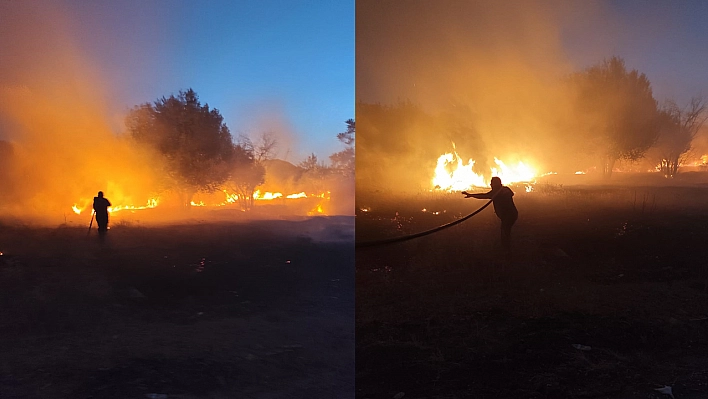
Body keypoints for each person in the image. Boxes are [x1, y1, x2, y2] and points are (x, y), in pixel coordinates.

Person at [461, 177, 518, 252]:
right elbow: (483, 195)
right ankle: (506, 248)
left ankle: (506, 250)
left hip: (510, 215)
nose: (491, 185)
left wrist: (501, 194)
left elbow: (510, 193)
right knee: (505, 231)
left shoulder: (505, 190)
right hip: (507, 216)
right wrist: (471, 195)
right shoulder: (494, 193)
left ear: (496, 184)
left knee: (505, 231)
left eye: (492, 183)